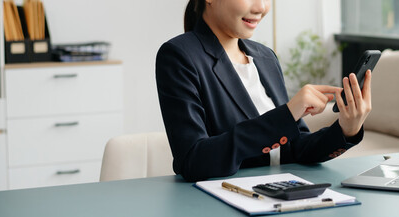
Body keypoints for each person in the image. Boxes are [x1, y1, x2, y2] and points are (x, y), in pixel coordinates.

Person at [156, 0, 372, 182]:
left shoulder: (265, 57)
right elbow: (193, 160)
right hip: (227, 204)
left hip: (281, 194)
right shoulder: (179, 56)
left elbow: (296, 149)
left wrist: (346, 129)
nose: (261, 7)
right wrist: (287, 115)